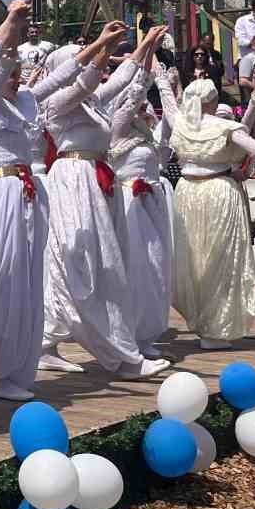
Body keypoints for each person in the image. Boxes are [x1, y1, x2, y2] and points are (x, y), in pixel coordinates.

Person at [39, 22, 172, 378]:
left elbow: (122, 81)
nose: (93, 71)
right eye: (80, 65)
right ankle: (122, 356)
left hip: (96, 182)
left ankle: (46, 342)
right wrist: (101, 48)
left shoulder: (92, 104)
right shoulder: (57, 103)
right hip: (73, 180)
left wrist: (145, 47)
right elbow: (86, 80)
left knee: (93, 263)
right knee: (80, 261)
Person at [0, 0, 82, 399]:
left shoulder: (27, 101)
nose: (15, 80)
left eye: (18, 75)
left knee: (25, 282)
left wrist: (97, 47)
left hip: (27, 195)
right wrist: (11, 31)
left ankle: (12, 366)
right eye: (10, 75)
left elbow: (63, 77)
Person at [156, 69, 255, 347]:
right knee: (219, 259)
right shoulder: (224, 127)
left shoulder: (180, 122)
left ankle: (202, 320)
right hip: (219, 190)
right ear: (212, 100)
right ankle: (216, 325)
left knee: (192, 257)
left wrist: (161, 77)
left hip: (187, 191)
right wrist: (240, 169)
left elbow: (168, 102)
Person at [110, 26, 179, 358]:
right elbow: (133, 95)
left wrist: (162, 80)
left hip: (153, 201)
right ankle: (128, 336)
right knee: (134, 268)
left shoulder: (150, 133)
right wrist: (146, 53)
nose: (143, 110)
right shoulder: (116, 125)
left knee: (155, 266)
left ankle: (148, 332)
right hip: (128, 203)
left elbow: (172, 122)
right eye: (138, 106)